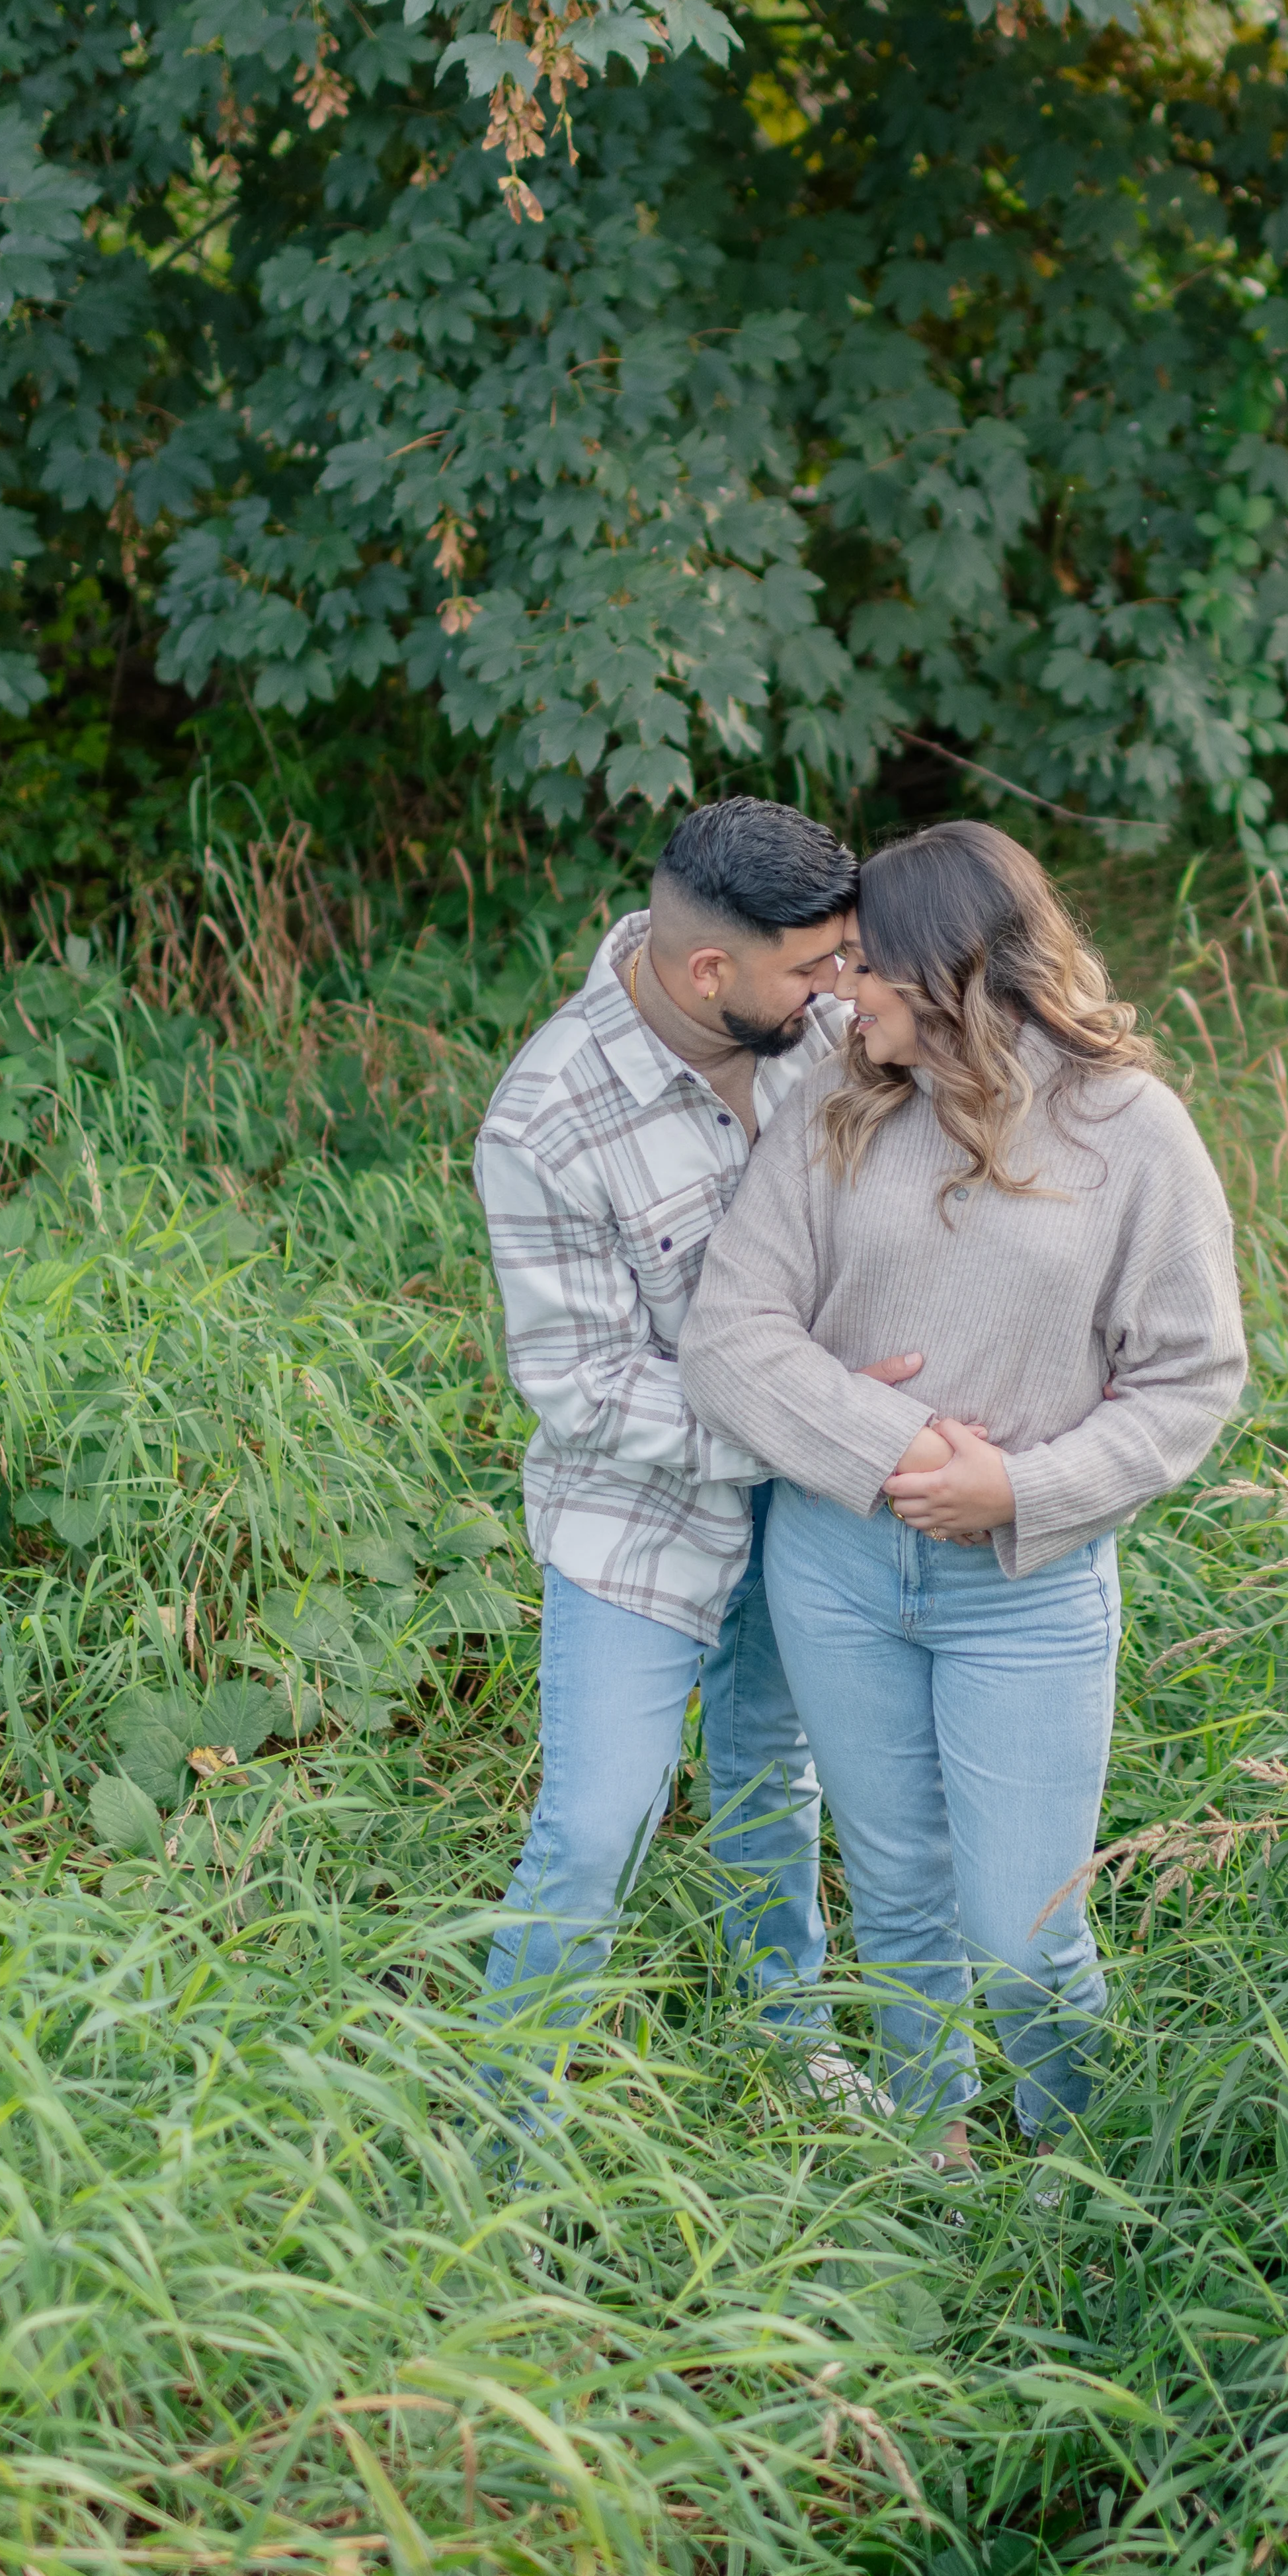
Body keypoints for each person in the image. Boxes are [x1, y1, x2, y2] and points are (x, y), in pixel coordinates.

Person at [678, 821, 1246, 2172]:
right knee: (895, 1890)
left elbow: (1192, 1375)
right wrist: (894, 1446)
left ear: (952, 972)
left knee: (1022, 1925)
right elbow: (728, 1337)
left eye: (865, 969)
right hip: (837, 1568)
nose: (836, 996)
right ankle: (931, 2148)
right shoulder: (834, 1104)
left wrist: (1016, 1488)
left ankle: (1078, 2170)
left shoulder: (1130, 1132)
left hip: (1028, 1592)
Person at [471, 794, 923, 2125]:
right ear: (706, 969)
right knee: (595, 1822)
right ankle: (508, 2128)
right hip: (640, 1520)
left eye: (843, 958)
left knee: (771, 1773)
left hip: (803, 1511)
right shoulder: (545, 1119)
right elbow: (584, 1389)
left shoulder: (823, 1034)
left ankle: (784, 2031)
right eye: (811, 967)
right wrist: (822, 1419)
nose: (840, 987)